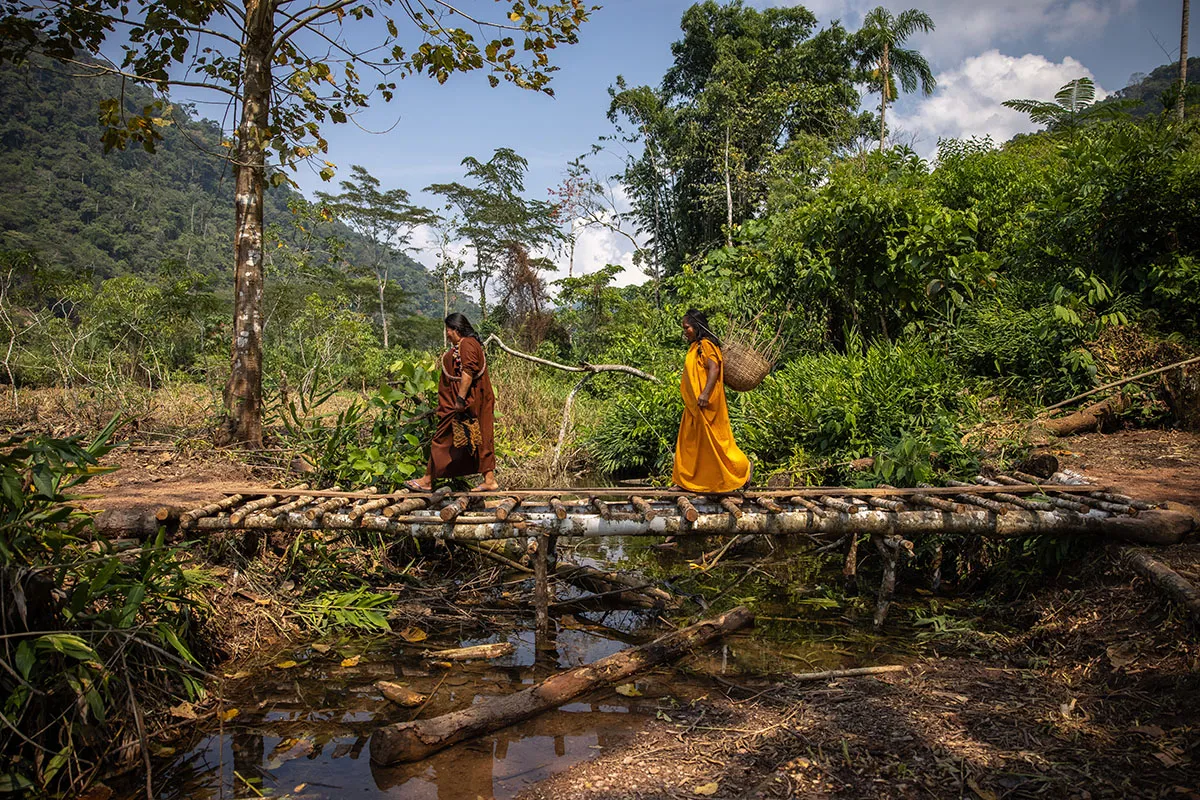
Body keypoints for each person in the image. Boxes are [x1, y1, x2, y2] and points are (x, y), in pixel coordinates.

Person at [405, 313, 498, 492]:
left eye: (448, 329)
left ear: (456, 329)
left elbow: (468, 373)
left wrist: (460, 399)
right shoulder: (464, 345)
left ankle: (427, 480)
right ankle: (488, 479)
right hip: (466, 402)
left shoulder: (467, 344)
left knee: (446, 438)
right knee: (475, 438)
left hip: (469, 402)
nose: (447, 333)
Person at [671, 309, 751, 493]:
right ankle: (685, 482)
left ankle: (743, 468)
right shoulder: (695, 346)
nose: (685, 331)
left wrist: (705, 394)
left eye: (687, 327)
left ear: (697, 326)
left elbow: (714, 369)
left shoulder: (706, 345)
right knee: (689, 444)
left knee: (718, 445)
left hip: (705, 404)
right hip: (693, 406)